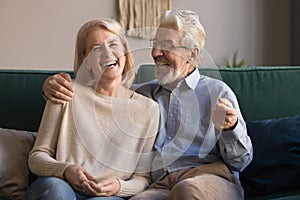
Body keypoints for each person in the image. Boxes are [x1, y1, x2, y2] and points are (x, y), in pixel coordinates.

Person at [42, 10, 253, 200]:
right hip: (160, 184)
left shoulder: (218, 93)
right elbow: (103, 92)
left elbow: (240, 162)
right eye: (155, 44)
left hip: (208, 177)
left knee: (186, 191)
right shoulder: (143, 96)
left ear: (193, 54)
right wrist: (49, 88)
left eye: (167, 46)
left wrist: (230, 128)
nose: (156, 53)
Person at [25, 18, 160, 200]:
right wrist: (65, 170)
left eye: (113, 44)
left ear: (125, 52)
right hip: (62, 185)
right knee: (56, 191)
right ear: (85, 60)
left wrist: (119, 187)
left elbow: (143, 177)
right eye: (96, 48)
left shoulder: (148, 109)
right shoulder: (66, 91)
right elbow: (37, 156)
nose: (107, 53)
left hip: (108, 196)